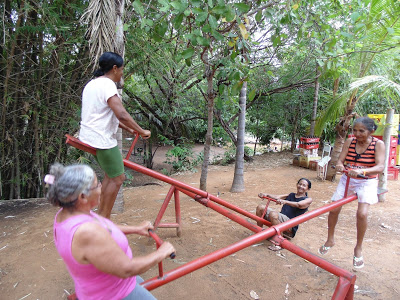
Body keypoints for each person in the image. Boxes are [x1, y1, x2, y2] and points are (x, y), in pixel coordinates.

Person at [45, 163, 175, 300]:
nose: (101, 186)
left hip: (112, 283)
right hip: (113, 294)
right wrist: (161, 253)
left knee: (140, 283)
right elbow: (127, 269)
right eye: (97, 185)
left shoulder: (68, 213)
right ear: (82, 196)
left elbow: (103, 228)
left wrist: (136, 229)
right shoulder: (87, 232)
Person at [79, 51, 151, 219]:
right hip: (101, 139)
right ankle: (104, 218)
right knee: (118, 178)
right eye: (121, 69)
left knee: (110, 177)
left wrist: (130, 129)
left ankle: (101, 216)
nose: (122, 73)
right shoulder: (108, 85)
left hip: (89, 135)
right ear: (114, 68)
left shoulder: (92, 85)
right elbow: (121, 114)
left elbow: (104, 115)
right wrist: (142, 131)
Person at [318, 116, 385, 269]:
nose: (357, 133)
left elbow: (380, 167)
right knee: (333, 209)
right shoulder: (350, 141)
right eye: (355, 130)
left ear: (371, 131)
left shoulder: (378, 144)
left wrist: (363, 171)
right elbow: (340, 161)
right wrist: (341, 166)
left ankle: (358, 248)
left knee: (362, 214)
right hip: (348, 178)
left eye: (361, 131)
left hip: (367, 181)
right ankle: (330, 239)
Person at [256, 178, 313, 250]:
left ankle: (279, 243)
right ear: (297, 185)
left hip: (291, 223)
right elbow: (277, 197)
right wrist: (266, 194)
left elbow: (299, 204)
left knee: (273, 214)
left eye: (304, 185)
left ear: (308, 189)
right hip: (281, 219)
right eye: (300, 184)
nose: (301, 186)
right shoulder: (291, 195)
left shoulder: (308, 199)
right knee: (260, 207)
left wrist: (285, 202)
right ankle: (259, 231)